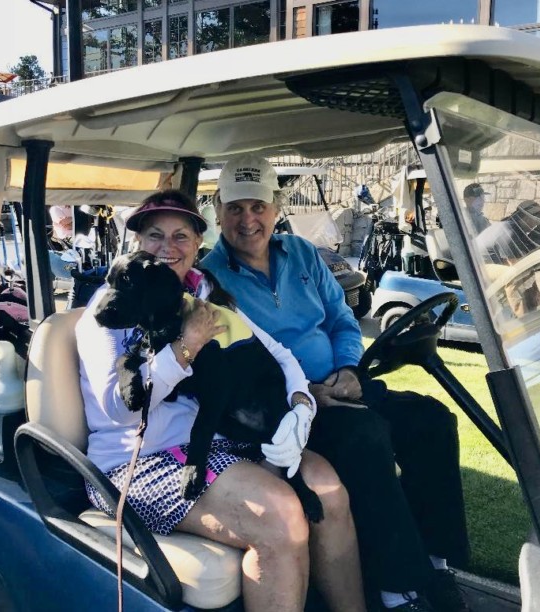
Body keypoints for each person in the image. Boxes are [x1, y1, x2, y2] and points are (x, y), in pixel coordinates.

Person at [202, 154, 471, 612]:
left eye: (258, 206)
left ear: (276, 207)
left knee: (430, 418)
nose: (248, 220)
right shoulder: (211, 279)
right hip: (281, 409)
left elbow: (342, 320)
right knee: (364, 436)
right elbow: (236, 366)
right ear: (218, 211)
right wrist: (303, 395)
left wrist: (348, 369)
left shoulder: (301, 253)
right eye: (235, 208)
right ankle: (398, 589)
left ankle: (436, 561)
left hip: (342, 382)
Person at [76, 189, 366, 612]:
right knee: (279, 515)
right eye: (155, 235)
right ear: (138, 241)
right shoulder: (111, 311)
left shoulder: (204, 298)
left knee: (327, 488)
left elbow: (277, 352)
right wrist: (185, 347)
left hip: (217, 442)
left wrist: (302, 404)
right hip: (137, 462)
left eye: (181, 236)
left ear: (198, 244)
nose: (168, 247)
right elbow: (120, 409)